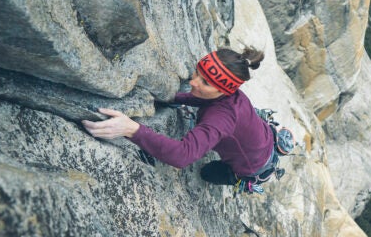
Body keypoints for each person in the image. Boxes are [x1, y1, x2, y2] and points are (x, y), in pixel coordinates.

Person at [82, 46, 282, 192]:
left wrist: (131, 129)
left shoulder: (221, 118)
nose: (193, 82)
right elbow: (202, 99)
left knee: (207, 173)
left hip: (254, 166)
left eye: (205, 82)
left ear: (223, 90)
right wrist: (167, 97)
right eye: (197, 72)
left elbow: (182, 156)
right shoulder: (231, 93)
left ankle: (243, 178)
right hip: (263, 138)